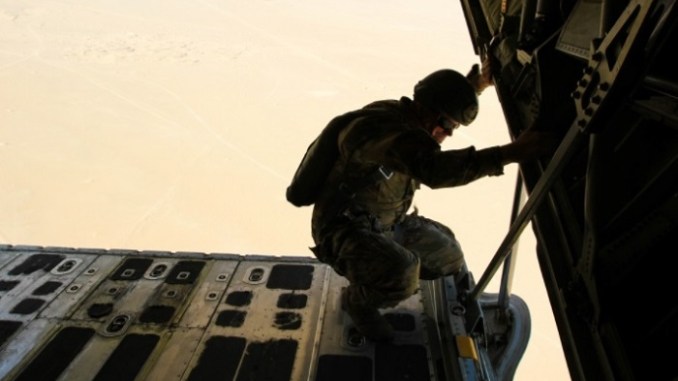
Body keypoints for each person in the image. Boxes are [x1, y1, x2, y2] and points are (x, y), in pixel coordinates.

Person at [288, 60, 555, 342]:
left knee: (449, 254)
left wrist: (474, 87)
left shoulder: (409, 119)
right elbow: (434, 169)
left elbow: (436, 116)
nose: (448, 134)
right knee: (402, 273)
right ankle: (359, 302)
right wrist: (511, 153)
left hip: (386, 222)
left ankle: (382, 267)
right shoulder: (381, 131)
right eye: (447, 125)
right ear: (427, 111)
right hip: (344, 230)